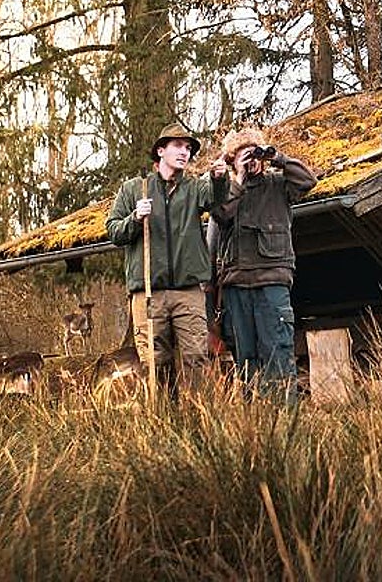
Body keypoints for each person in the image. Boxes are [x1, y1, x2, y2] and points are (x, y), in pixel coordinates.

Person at [106, 123, 229, 392]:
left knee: (196, 358)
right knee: (155, 362)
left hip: (188, 292)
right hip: (149, 292)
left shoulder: (195, 189)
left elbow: (217, 199)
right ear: (160, 151)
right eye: (177, 146)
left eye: (188, 148)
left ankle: (199, 422)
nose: (184, 152)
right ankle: (162, 421)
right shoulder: (134, 190)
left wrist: (220, 178)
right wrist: (135, 218)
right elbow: (114, 232)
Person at [212, 128, 317, 401]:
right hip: (235, 288)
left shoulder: (278, 185)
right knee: (245, 361)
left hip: (272, 284)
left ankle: (284, 423)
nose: (252, 160)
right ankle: (254, 426)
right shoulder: (225, 192)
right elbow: (221, 214)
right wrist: (238, 178)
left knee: (278, 355)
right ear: (231, 160)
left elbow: (308, 181)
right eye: (244, 155)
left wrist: (277, 157)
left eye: (255, 153)